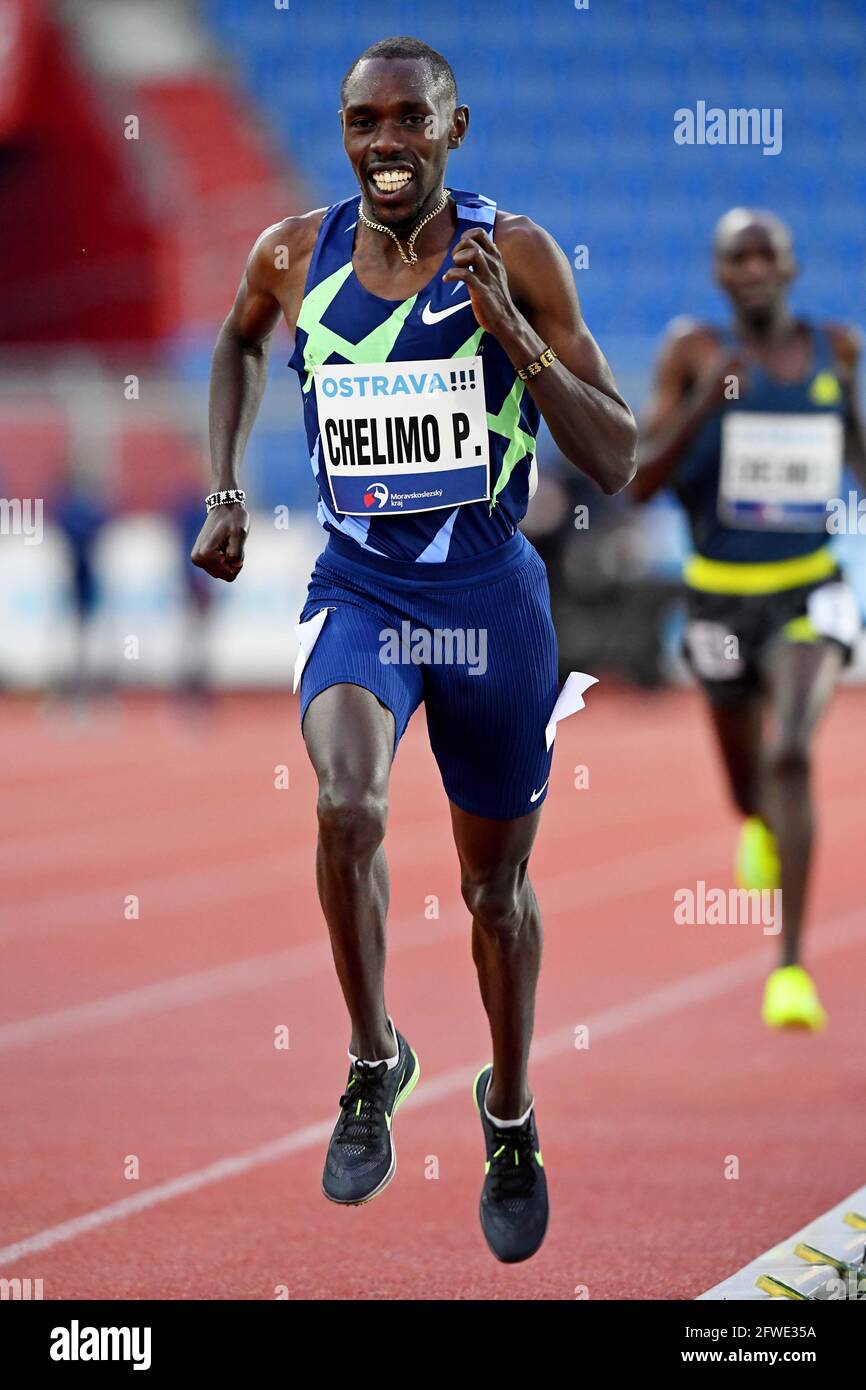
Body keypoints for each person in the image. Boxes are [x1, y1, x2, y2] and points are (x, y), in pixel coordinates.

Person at [192, 35, 635, 1262]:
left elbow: (616, 455)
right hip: (362, 589)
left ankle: (507, 1110)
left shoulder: (519, 254)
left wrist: (515, 336)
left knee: (494, 889)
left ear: (454, 127)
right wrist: (223, 487)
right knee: (346, 804)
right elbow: (234, 343)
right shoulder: (293, 253)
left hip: (492, 600)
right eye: (360, 122)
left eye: (407, 121)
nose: (383, 143)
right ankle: (373, 1057)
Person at [633, 207, 865, 1031]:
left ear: (793, 267)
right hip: (718, 597)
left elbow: (855, 453)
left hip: (808, 587)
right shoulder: (691, 352)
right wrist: (704, 399)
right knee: (746, 788)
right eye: (741, 256)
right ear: (720, 274)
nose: (757, 266)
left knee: (793, 749)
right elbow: (638, 481)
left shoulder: (835, 349)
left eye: (771, 253)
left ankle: (791, 967)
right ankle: (761, 824)